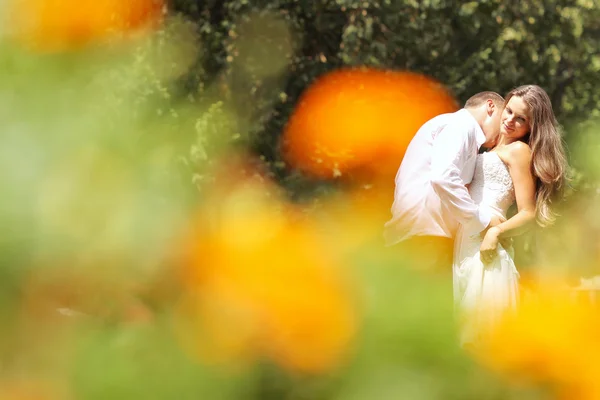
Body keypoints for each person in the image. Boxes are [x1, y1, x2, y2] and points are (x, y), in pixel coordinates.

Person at [454, 85, 568, 346]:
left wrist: (495, 232)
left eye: (521, 119)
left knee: (481, 334)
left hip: (488, 246)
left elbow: (528, 212)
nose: (509, 121)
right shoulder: (487, 148)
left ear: (532, 126)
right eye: (509, 111)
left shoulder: (519, 151)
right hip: (465, 242)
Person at [383, 91, 506, 273]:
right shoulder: (461, 125)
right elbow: (444, 177)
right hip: (425, 238)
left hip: (419, 235)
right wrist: (483, 221)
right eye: (503, 119)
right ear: (490, 106)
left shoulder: (456, 128)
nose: (504, 129)